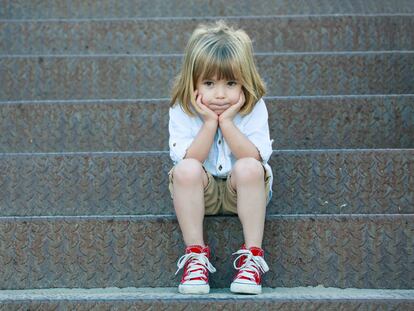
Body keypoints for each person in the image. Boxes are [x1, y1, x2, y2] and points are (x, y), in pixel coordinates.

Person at [168, 21, 273, 295]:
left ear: (245, 82)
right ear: (193, 83)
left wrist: (226, 122)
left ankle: (252, 257)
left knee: (251, 166)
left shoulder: (254, 107)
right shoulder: (182, 109)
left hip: (244, 191)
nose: (220, 94)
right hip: (199, 193)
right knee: (186, 170)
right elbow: (189, 158)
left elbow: (254, 156)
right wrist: (208, 123)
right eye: (209, 83)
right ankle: (195, 256)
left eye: (231, 83)